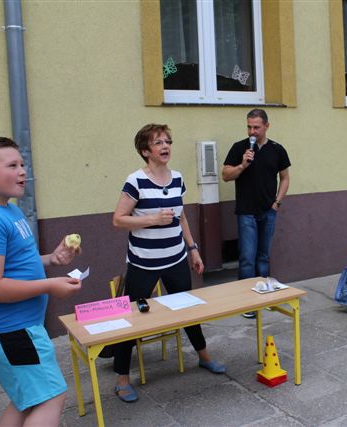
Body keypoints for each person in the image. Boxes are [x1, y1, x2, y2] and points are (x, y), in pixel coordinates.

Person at [0, 137, 82, 426]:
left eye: (23, 164)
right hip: (8, 328)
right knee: (51, 397)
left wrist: (52, 259)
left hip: (15, 325)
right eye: (12, 165)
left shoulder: (8, 209)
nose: (23, 171)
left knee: (29, 398)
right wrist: (50, 285)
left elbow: (13, 264)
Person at [112, 123, 225, 403]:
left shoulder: (177, 178)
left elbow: (181, 216)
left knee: (187, 310)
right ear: (145, 150)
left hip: (175, 257)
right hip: (143, 262)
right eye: (158, 142)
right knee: (132, 319)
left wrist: (193, 249)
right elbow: (118, 220)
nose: (165, 147)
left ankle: (203, 356)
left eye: (168, 142)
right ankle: (122, 379)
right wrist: (152, 219)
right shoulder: (136, 181)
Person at [222, 109, 291, 319]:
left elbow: (285, 177)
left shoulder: (277, 149)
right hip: (246, 212)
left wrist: (277, 202)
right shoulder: (239, 147)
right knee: (247, 257)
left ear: (267, 126)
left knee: (263, 256)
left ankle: (264, 296)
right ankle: (247, 301)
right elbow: (225, 175)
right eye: (249, 127)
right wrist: (242, 165)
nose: (252, 131)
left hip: (268, 211)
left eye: (256, 127)